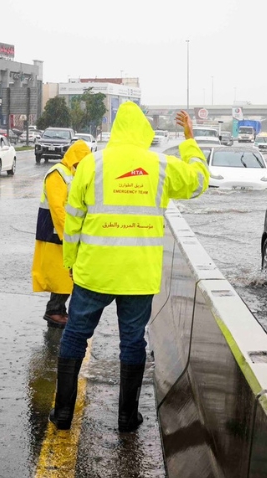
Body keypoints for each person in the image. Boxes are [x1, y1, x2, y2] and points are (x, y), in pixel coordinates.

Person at [50, 103, 208, 432]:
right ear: (144, 132)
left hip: (94, 272)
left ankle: (63, 413)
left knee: (76, 336)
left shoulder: (91, 165)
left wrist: (70, 263)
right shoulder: (160, 165)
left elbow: (73, 222)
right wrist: (190, 141)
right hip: (138, 276)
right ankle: (126, 417)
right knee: (133, 342)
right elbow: (197, 183)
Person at [32, 140, 92, 328]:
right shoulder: (57, 173)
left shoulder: (72, 173)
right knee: (61, 274)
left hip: (64, 231)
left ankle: (58, 310)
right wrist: (68, 234)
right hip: (55, 231)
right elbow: (58, 208)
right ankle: (54, 311)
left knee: (66, 274)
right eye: (81, 160)